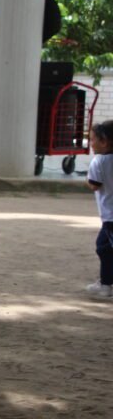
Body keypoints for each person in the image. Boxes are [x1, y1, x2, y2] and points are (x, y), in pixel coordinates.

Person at [85, 120, 113, 300]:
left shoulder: (100, 161)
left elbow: (95, 185)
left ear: (104, 141)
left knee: (104, 247)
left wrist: (86, 181)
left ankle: (105, 285)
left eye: (93, 139)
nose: (91, 144)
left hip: (111, 215)